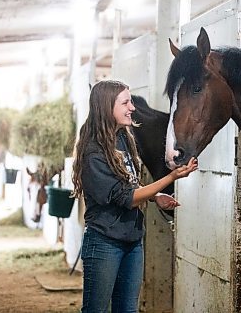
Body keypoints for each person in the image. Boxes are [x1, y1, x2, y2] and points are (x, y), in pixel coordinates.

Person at [72, 80, 198, 313]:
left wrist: (155, 195)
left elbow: (128, 182)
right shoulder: (93, 152)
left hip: (132, 240)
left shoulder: (123, 138)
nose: (132, 107)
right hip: (104, 242)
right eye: (126, 102)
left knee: (127, 310)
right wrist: (171, 178)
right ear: (106, 106)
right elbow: (126, 197)